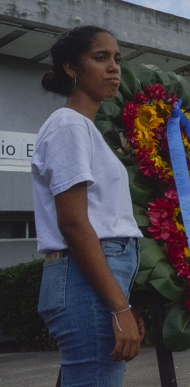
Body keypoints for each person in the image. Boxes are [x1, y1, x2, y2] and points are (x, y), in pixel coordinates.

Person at [32, 26, 143, 386]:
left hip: (91, 282)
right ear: (71, 68)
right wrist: (119, 307)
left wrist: (122, 301)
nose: (114, 68)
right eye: (100, 58)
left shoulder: (83, 128)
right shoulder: (69, 126)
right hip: (83, 281)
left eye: (117, 59)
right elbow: (75, 223)